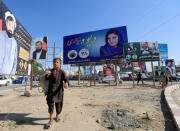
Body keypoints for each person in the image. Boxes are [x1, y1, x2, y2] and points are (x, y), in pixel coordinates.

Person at [45, 58, 69, 129]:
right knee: (50, 105)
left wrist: (66, 83)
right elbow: (46, 78)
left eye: (57, 62)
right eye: (54, 62)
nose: (55, 63)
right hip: (51, 91)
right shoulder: (50, 71)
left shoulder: (62, 72)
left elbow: (66, 78)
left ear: (60, 64)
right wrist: (47, 76)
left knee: (58, 106)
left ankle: (57, 115)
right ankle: (51, 119)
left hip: (58, 92)